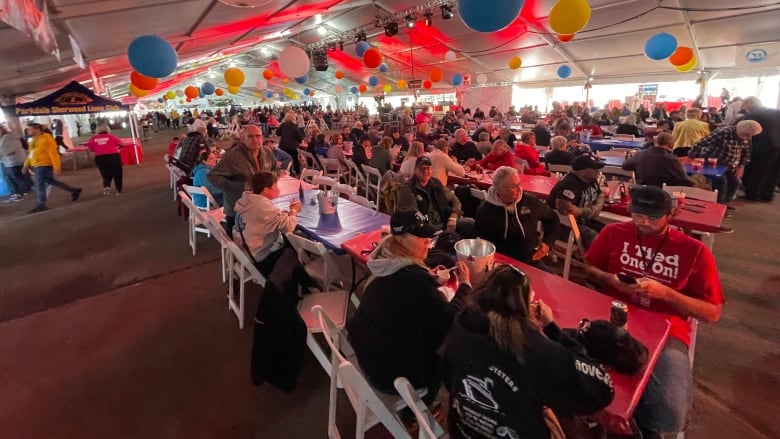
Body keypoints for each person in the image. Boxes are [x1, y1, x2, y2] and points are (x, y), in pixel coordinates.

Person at [584, 185, 723, 439]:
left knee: (668, 412)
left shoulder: (693, 250)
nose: (644, 222)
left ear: (669, 215)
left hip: (666, 329)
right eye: (637, 216)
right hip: (612, 316)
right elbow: (590, 269)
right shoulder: (614, 232)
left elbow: (712, 313)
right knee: (574, 374)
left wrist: (668, 294)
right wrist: (610, 280)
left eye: (652, 218)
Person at [441, 265, 615, 439]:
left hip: (462, 430)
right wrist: (552, 329)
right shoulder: (534, 350)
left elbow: (448, 377)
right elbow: (602, 389)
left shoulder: (462, 324)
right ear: (524, 307)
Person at [347, 209, 472, 402]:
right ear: (403, 239)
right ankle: (424, 405)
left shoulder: (386, 259)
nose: (428, 244)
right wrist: (465, 285)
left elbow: (403, 287)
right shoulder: (413, 279)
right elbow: (449, 319)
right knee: (451, 345)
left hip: (367, 350)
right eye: (422, 239)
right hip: (389, 374)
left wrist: (428, 276)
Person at [474, 166, 559, 267]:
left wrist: (547, 243)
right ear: (499, 189)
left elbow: (553, 219)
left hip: (532, 260)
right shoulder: (485, 210)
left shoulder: (530, 202)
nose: (520, 189)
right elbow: (481, 242)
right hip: (499, 263)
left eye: (519, 184)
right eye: (513, 186)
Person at [208, 125, 274, 236]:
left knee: (258, 243)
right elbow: (212, 176)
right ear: (243, 139)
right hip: (237, 209)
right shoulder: (232, 156)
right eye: (251, 137)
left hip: (260, 206)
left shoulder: (266, 152)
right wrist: (236, 187)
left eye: (258, 136)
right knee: (237, 246)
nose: (255, 139)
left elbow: (275, 169)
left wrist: (271, 180)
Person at [233, 171, 301, 276]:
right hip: (260, 259)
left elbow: (265, 218)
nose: (278, 189)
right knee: (296, 247)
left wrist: (280, 215)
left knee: (288, 240)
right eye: (275, 187)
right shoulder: (261, 205)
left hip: (245, 253)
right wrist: (294, 210)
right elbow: (289, 226)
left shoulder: (247, 200)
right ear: (265, 190)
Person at [688, 120, 762, 206]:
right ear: (739, 129)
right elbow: (700, 143)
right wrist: (691, 157)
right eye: (746, 135)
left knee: (735, 182)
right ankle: (718, 205)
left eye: (750, 136)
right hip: (712, 162)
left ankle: (725, 203)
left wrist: (741, 165)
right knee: (721, 182)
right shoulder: (723, 132)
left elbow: (747, 152)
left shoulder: (748, 136)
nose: (748, 137)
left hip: (729, 164)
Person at [546, 154, 606, 247]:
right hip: (562, 226)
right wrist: (593, 209)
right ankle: (593, 259)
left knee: (609, 231)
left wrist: (588, 210)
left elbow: (601, 195)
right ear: (583, 172)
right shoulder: (569, 185)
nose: (598, 171)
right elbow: (566, 210)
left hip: (582, 221)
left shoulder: (591, 180)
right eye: (594, 168)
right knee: (596, 239)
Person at [24, 123, 82, 213]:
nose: (28, 131)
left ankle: (41, 204)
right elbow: (31, 154)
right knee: (51, 181)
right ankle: (73, 190)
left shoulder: (47, 139)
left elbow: (53, 154)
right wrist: (26, 165)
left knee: (39, 184)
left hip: (44, 165)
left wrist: (56, 167)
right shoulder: (33, 141)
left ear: (37, 129)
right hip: (37, 165)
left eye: (30, 129)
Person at [397, 156, 463, 232]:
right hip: (422, 229)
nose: (425, 171)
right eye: (422, 168)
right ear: (415, 170)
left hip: (444, 222)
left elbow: (455, 200)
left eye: (428, 168)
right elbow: (415, 216)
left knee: (468, 223)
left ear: (431, 170)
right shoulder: (407, 189)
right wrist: (438, 231)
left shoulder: (436, 184)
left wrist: (453, 218)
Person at [740, 97, 780, 202]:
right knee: (773, 172)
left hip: (762, 147)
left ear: (750, 103)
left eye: (744, 105)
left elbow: (745, 131)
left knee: (755, 171)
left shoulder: (752, 115)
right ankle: (767, 195)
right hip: (777, 145)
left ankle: (752, 194)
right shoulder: (776, 112)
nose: (744, 108)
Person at [622, 132, 693, 188]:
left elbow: (625, 166)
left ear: (656, 142)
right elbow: (685, 181)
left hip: (642, 190)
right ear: (671, 144)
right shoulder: (672, 159)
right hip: (666, 194)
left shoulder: (640, 154)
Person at [85, 124, 124, 195]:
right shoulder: (111, 137)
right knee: (117, 173)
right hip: (113, 157)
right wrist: (117, 149)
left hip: (100, 158)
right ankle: (118, 190)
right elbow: (122, 144)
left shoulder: (93, 139)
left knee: (105, 174)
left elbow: (90, 149)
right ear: (107, 129)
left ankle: (106, 188)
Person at [0, 125, 32, 203]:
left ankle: (19, 193)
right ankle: (23, 191)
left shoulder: (7, 138)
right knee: (18, 177)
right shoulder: (9, 136)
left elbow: (5, 150)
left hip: (13, 161)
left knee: (13, 178)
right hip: (14, 160)